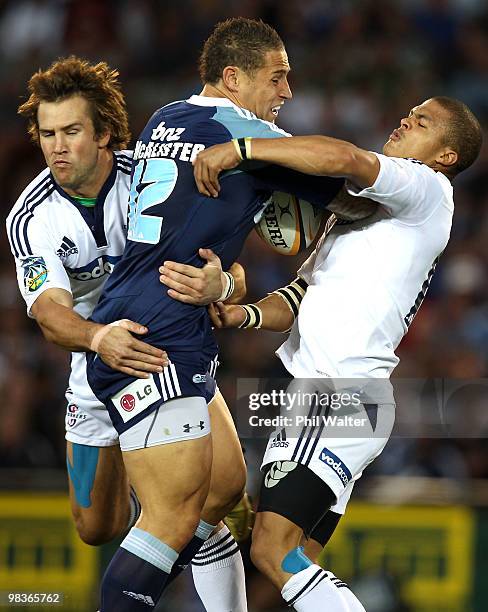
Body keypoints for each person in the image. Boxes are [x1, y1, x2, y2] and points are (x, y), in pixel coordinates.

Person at [86, 17, 345, 611]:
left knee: (223, 491)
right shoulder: (246, 133)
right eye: (276, 78)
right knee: (170, 518)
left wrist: (224, 280)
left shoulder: (165, 118)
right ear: (233, 78)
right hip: (155, 339)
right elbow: (350, 187)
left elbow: (187, 234)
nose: (287, 92)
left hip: (165, 318)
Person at [186, 95, 483, 611]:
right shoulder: (367, 217)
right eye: (409, 112)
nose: (406, 119)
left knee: (271, 550)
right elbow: (299, 296)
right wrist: (244, 315)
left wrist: (242, 149)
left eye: (424, 121)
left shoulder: (426, 186)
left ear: (447, 156)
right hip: (340, 400)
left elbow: (346, 159)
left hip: (335, 393)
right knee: (295, 561)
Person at [5, 56, 250, 611]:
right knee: (98, 525)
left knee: (222, 490)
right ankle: (161, 514)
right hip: (94, 362)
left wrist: (222, 286)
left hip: (162, 352)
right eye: (47, 134)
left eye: (71, 131)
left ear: (105, 133)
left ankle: (169, 516)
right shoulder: (33, 216)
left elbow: (232, 265)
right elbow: (49, 312)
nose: (57, 147)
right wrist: (96, 339)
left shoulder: (154, 176)